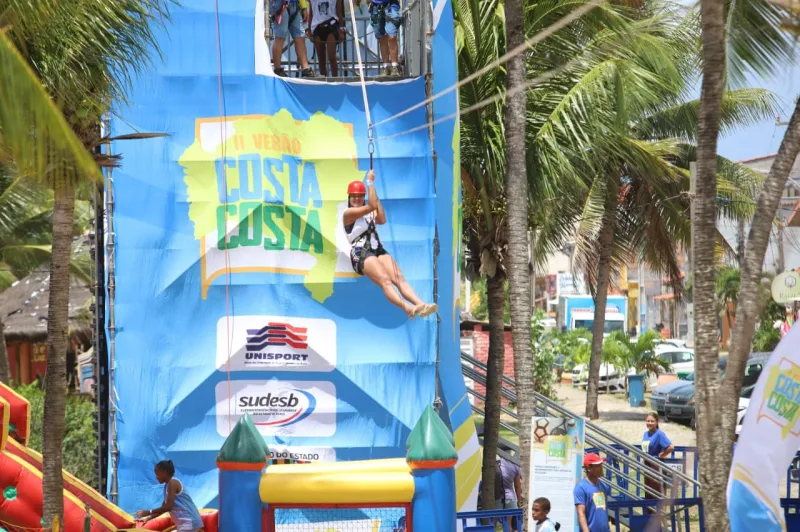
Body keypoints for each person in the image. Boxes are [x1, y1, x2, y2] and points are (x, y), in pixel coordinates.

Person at [343, 170, 437, 319]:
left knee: (399, 278)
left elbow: (381, 219)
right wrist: (370, 182)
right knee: (385, 281)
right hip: (361, 252)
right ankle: (408, 308)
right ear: (349, 197)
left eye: (360, 196)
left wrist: (375, 195)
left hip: (377, 249)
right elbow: (372, 206)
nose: (356, 198)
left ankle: (421, 304)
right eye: (353, 196)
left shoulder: (368, 211)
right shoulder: (348, 213)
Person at [135, 460, 204, 532]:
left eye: (157, 474)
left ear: (165, 472)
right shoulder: (166, 486)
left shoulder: (173, 482)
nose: (156, 477)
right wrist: (148, 518)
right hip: (185, 524)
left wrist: (148, 512)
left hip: (189, 522)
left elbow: (168, 507)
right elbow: (163, 508)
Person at [270, 0, 315, 78]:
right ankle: (277, 69)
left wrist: (304, 7)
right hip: (279, 3)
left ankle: (306, 69)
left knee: (300, 37)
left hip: (294, 4)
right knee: (280, 37)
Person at [574, 453, 613, 532]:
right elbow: (581, 512)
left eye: (601, 465)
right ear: (589, 468)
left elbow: (603, 510)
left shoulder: (603, 486)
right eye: (598, 466)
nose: (601, 468)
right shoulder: (581, 487)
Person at [641, 412, 674, 500]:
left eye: (652, 421)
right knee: (648, 492)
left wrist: (662, 455)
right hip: (647, 465)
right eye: (648, 421)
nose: (650, 423)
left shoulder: (659, 434)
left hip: (655, 465)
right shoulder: (645, 434)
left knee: (656, 492)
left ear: (657, 422)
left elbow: (670, 447)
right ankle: (649, 512)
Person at [308, 0, 344, 76]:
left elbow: (339, 12)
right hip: (317, 28)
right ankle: (324, 80)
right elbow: (311, 14)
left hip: (331, 27)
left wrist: (341, 30)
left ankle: (335, 80)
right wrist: (309, 30)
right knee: (321, 59)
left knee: (331, 57)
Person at [367, 0, 401, 77]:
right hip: (376, 7)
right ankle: (386, 67)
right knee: (382, 38)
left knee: (392, 37)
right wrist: (369, 3)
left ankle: (395, 66)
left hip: (391, 6)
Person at [494, 456, 523, 532]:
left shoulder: (497, 463)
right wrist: (519, 501)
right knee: (508, 524)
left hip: (498, 497)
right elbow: (517, 486)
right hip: (511, 498)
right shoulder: (515, 465)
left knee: (493, 522)